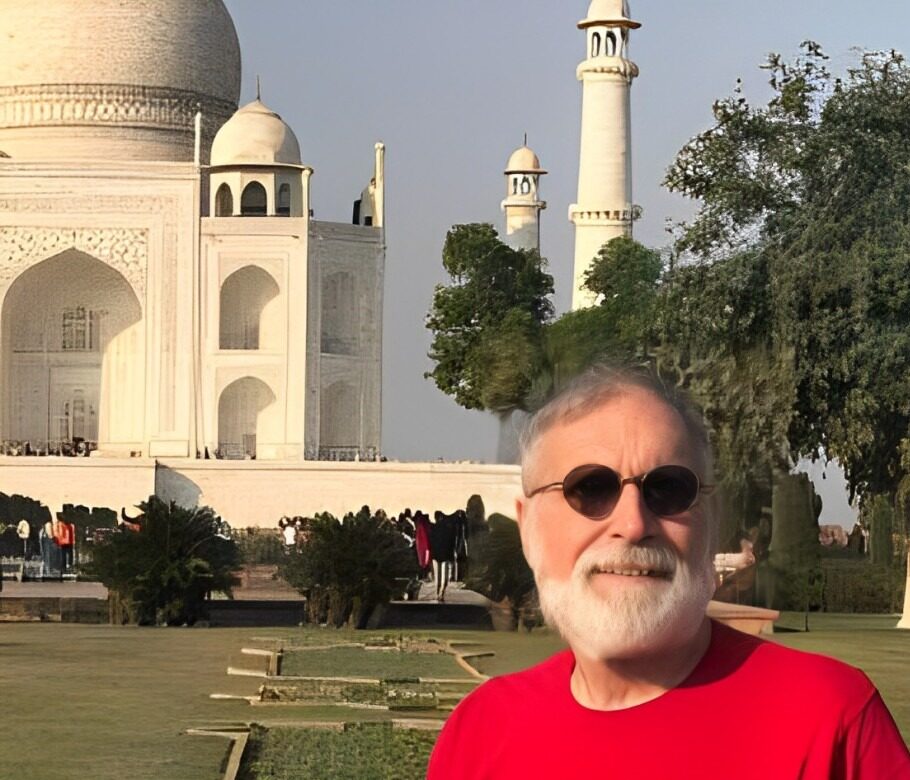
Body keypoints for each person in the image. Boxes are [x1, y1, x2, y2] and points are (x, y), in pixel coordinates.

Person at [427, 364, 910, 779]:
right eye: (591, 488)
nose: (633, 524)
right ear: (529, 527)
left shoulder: (832, 720)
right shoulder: (479, 733)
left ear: (710, 521)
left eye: (668, 489)